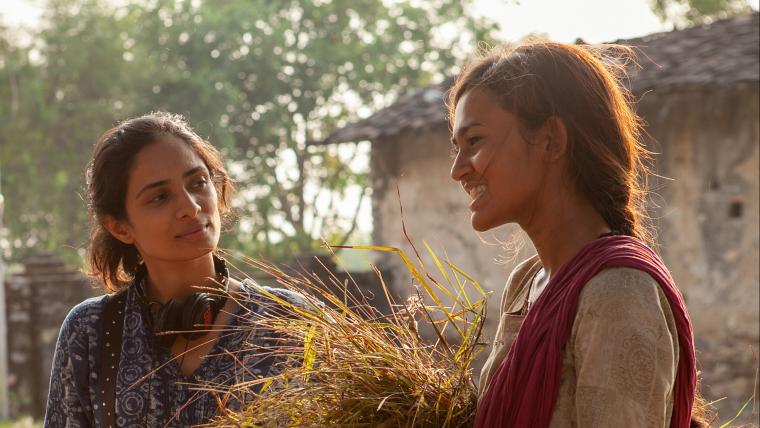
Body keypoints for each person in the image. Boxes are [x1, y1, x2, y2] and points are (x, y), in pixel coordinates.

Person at [448, 42, 708, 427]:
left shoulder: (618, 293)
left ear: (551, 140)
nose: (457, 171)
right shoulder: (526, 283)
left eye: (474, 142)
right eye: (456, 148)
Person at [44, 112, 303, 427]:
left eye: (198, 183)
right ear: (120, 227)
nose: (191, 206)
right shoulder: (91, 332)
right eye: (160, 197)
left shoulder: (290, 321)